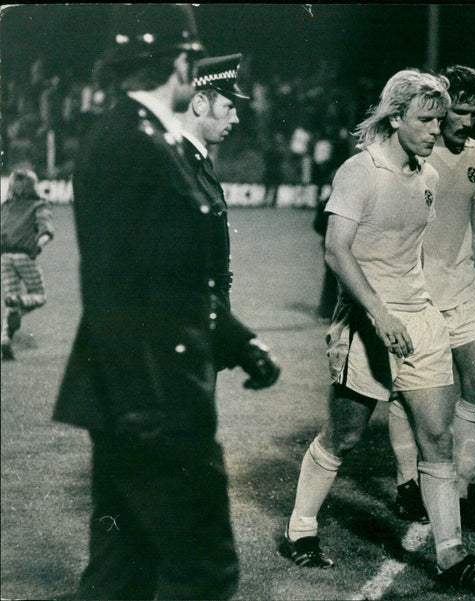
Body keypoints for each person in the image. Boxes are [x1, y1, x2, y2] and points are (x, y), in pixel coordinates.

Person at [53, 7, 280, 600]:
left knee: (122, 570)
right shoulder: (137, 143)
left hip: (141, 391)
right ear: (181, 63)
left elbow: (170, 280)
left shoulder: (135, 136)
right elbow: (118, 287)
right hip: (153, 398)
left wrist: (235, 340)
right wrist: (148, 408)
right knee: (206, 571)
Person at [280, 68, 475, 594]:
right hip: (367, 323)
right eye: (425, 119)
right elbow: (336, 249)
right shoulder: (361, 171)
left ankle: (452, 556)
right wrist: (379, 314)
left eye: (438, 119)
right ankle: (300, 530)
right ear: (396, 116)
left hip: (421, 321)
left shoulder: (427, 177)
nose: (435, 130)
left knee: (437, 440)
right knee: (346, 436)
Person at [387, 65, 475, 532]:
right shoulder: (415, 156)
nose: (467, 122)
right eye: (461, 112)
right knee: (408, 392)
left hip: (465, 288)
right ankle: (407, 483)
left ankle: (464, 488)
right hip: (419, 294)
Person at [178, 53, 249, 311]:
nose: (236, 118)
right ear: (199, 104)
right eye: (228, 107)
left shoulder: (199, 160)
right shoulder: (180, 165)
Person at [1, 167, 54, 361]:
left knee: (11, 302)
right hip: (24, 257)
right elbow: (45, 227)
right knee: (39, 296)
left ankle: (5, 340)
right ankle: (20, 302)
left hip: (4, 258)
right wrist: (43, 239)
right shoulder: (39, 205)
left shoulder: (6, 205)